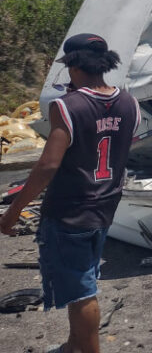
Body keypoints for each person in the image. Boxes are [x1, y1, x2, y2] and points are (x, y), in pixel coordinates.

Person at [0, 33, 140, 353]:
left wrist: (13, 211)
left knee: (80, 293)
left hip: (69, 213)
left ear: (74, 67)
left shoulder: (67, 107)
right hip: (105, 208)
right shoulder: (130, 102)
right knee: (85, 277)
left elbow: (49, 165)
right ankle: (72, 347)